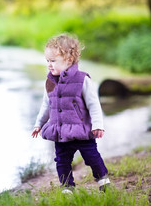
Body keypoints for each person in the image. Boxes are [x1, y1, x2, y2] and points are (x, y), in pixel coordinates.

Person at [31, 33, 110, 193]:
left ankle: (102, 178)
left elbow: (94, 104)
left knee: (92, 157)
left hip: (81, 131)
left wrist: (98, 125)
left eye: (53, 61)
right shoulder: (50, 82)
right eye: (47, 61)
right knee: (61, 161)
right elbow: (46, 105)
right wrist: (38, 124)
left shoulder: (83, 80)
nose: (49, 65)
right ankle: (67, 187)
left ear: (69, 60)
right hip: (60, 132)